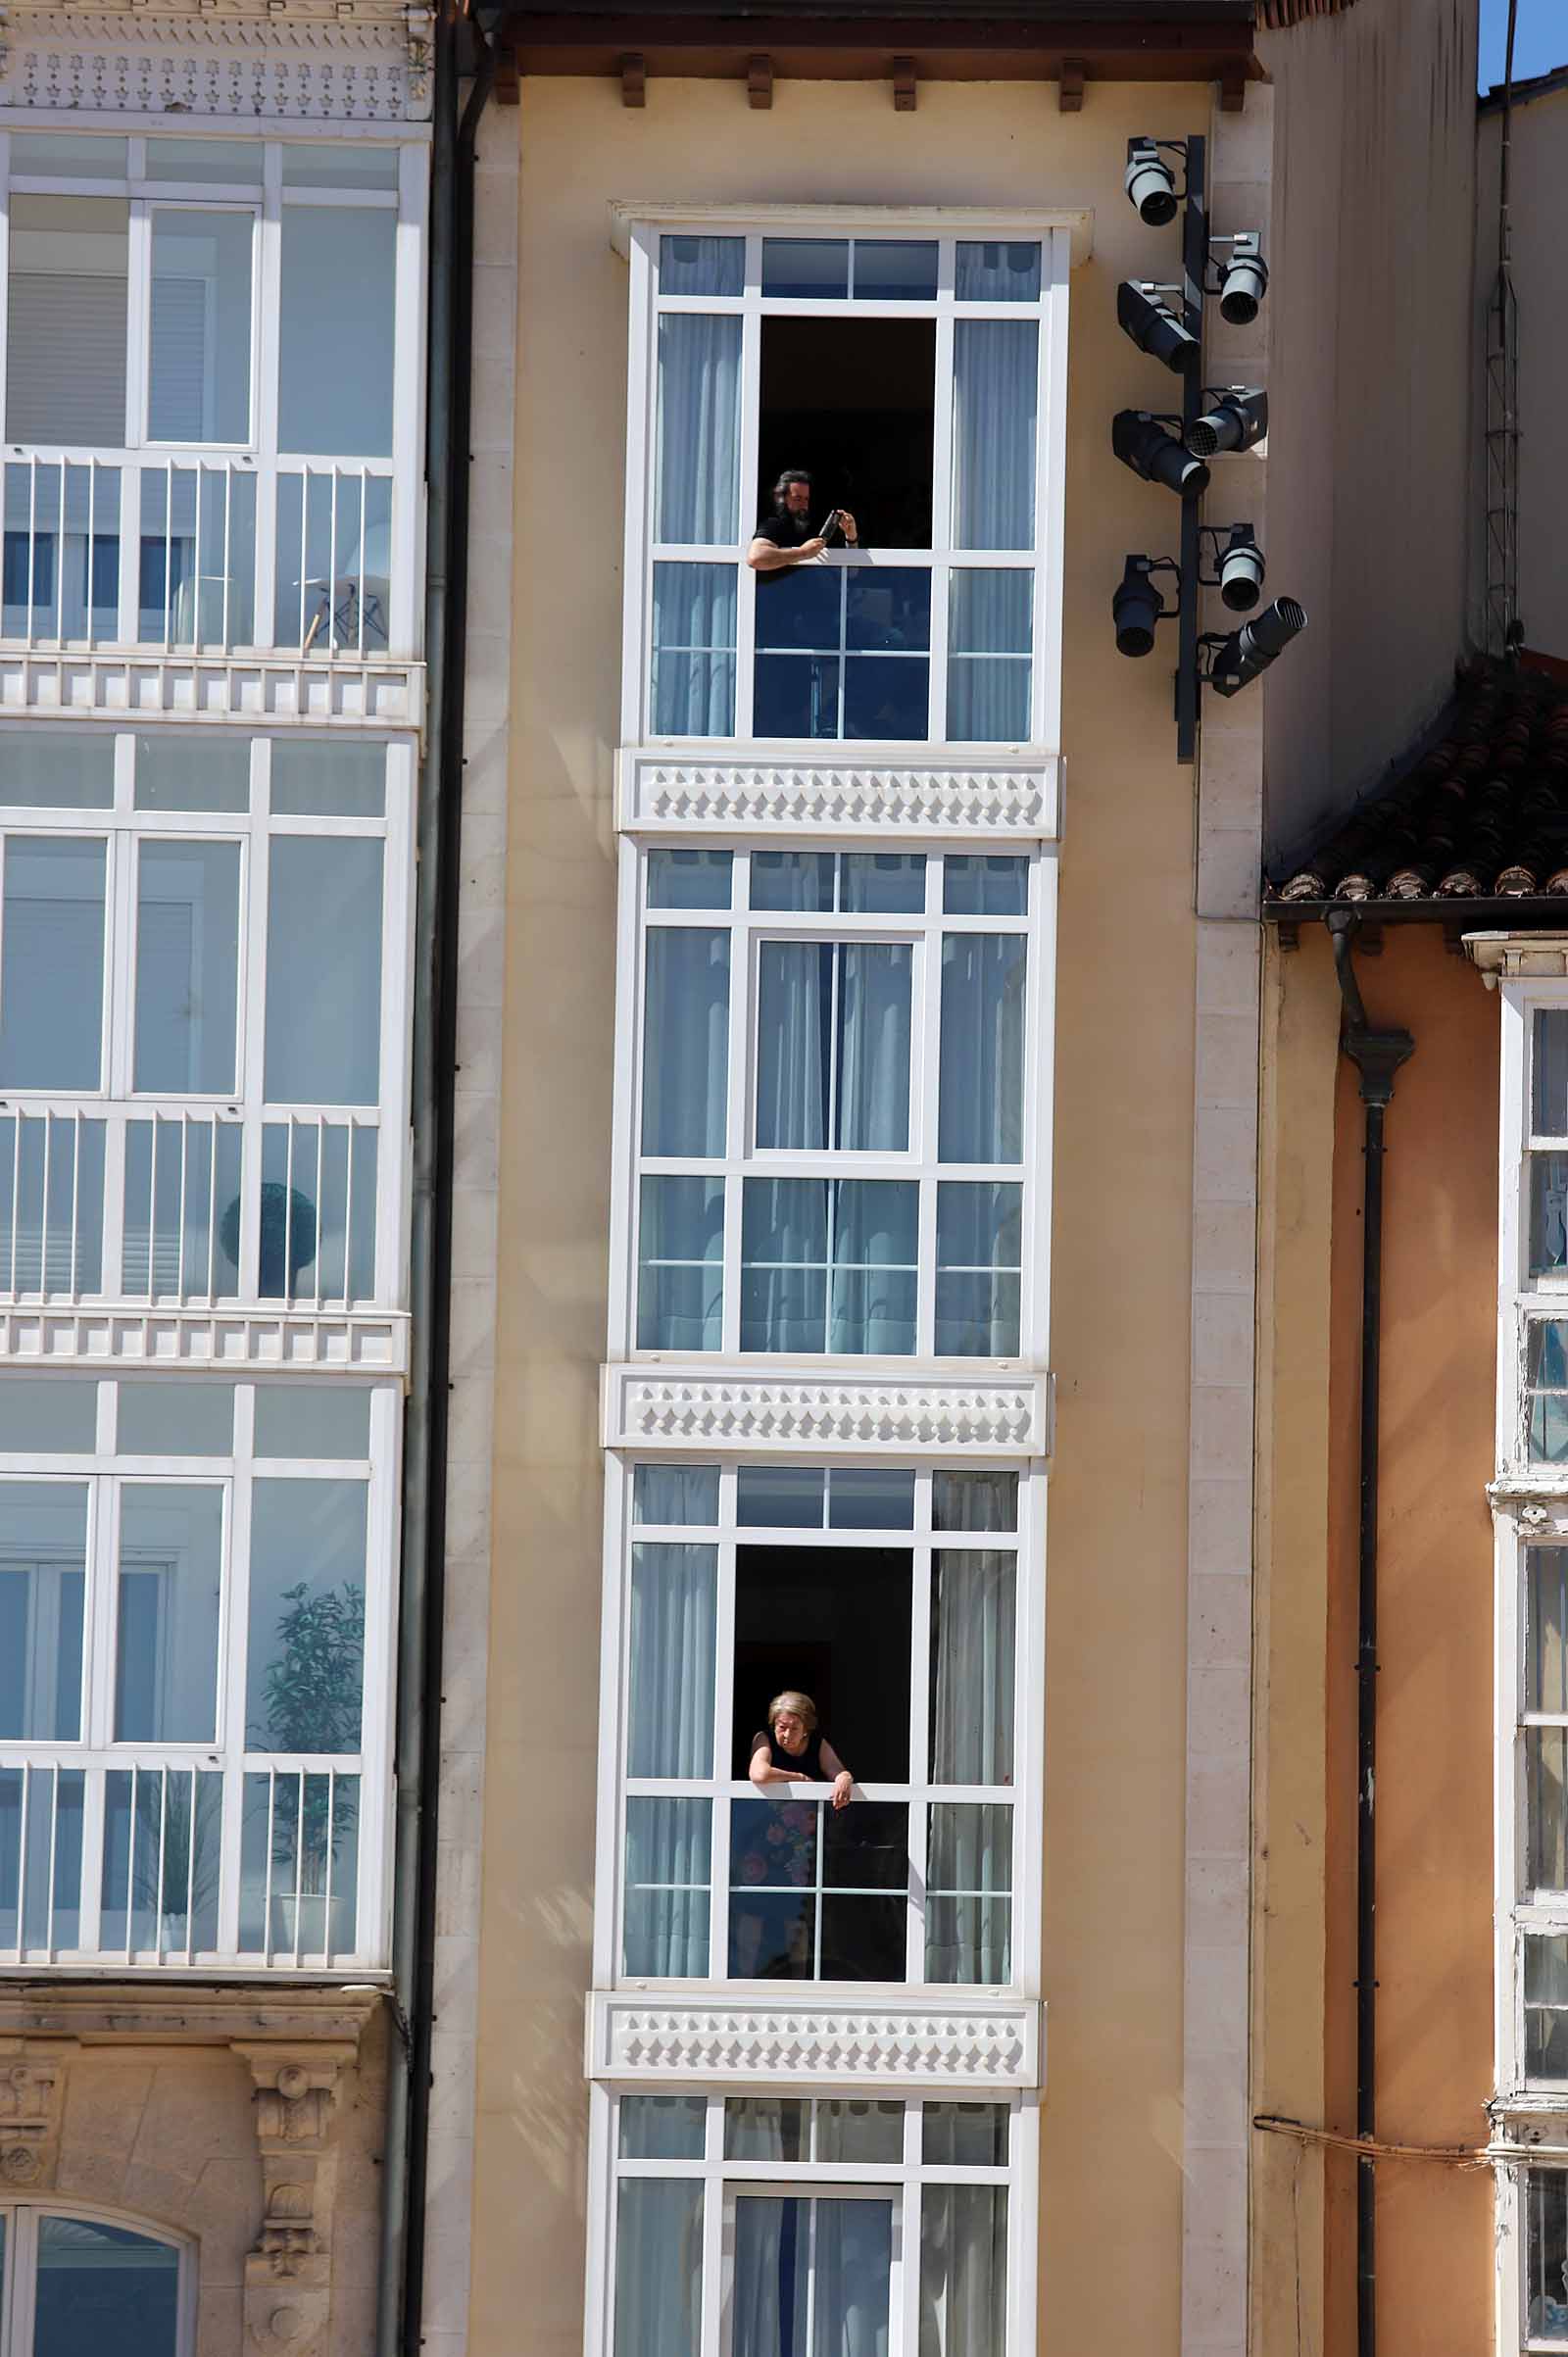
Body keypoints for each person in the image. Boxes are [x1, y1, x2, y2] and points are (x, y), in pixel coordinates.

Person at [750, 1689, 854, 1810]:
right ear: (774, 1725)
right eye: (782, 1727)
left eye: (794, 1728)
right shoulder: (764, 1738)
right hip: (770, 1813)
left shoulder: (817, 1744)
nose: (787, 1734)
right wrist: (800, 1778)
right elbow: (760, 1774)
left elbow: (837, 1772)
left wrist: (845, 1778)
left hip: (810, 1815)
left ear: (805, 1730)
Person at [748, 469, 859, 574]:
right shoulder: (774, 525)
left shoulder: (812, 528)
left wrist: (851, 537)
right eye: (797, 499)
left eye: (806, 499)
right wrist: (803, 553)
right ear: (780, 498)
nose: (803, 505)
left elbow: (851, 573)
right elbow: (756, 558)